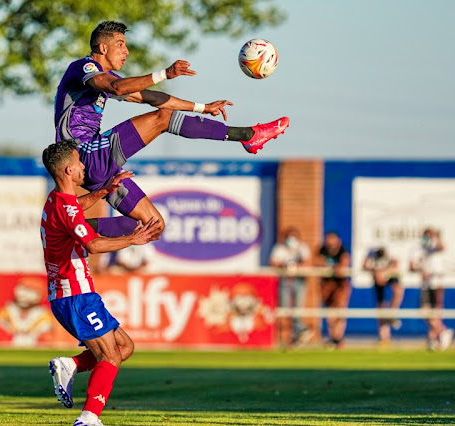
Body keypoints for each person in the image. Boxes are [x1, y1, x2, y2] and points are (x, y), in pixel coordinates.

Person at [55, 21, 289, 237]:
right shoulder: (83, 68)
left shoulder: (109, 78)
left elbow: (153, 97)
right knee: (162, 119)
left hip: (97, 167)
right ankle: (247, 135)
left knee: (153, 226)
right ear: (103, 48)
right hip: (81, 153)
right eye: (121, 44)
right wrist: (164, 73)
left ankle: (71, 228)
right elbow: (116, 87)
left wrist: (202, 107)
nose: (126, 51)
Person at [41, 140, 161, 426]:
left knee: (124, 348)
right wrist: (134, 239)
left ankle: (70, 364)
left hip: (74, 294)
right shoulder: (67, 209)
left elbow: (76, 206)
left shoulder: (56, 199)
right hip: (75, 295)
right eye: (80, 162)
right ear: (70, 169)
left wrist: (104, 192)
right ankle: (88, 418)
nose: (84, 166)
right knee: (110, 355)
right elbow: (93, 245)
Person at [410, 228, 453, 351]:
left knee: (435, 313)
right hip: (425, 284)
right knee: (425, 312)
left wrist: (437, 236)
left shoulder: (435, 247)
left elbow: (442, 247)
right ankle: (442, 332)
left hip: (437, 283)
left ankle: (434, 338)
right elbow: (412, 265)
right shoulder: (417, 248)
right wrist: (420, 270)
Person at [269, 227, 313, 347]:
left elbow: (308, 263)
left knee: (298, 308)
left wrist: (295, 266)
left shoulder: (302, 247)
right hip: (285, 281)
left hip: (299, 281)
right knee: (285, 308)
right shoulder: (280, 248)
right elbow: (273, 262)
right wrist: (285, 265)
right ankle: (292, 335)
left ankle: (300, 330)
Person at [316, 231, 351, 349]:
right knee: (330, 311)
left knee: (340, 310)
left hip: (340, 285)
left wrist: (333, 267)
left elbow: (342, 267)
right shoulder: (323, 250)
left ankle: (338, 337)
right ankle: (332, 337)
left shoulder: (342, 250)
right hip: (327, 284)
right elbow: (318, 262)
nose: (330, 243)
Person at [363, 247, 404, 347]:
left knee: (398, 290)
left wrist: (384, 272)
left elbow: (395, 264)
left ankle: (392, 314)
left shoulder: (391, 254)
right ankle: (384, 338)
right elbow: (365, 265)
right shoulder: (371, 253)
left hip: (390, 275)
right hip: (378, 281)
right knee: (381, 307)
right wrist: (376, 272)